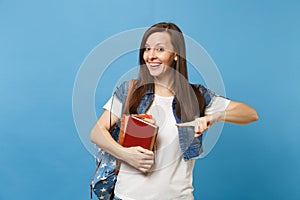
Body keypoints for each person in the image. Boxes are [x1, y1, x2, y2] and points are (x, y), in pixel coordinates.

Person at [90, 22, 258, 200]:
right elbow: (97, 133)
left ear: (176, 54)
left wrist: (214, 117)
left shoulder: (196, 96)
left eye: (160, 49)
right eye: (147, 49)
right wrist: (125, 154)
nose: (151, 56)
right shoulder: (130, 92)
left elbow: (250, 114)